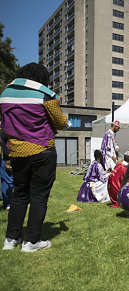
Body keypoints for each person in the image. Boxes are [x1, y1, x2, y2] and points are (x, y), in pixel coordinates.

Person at [1, 62, 68, 252]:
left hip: (17, 152)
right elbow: (60, 122)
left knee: (19, 195)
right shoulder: (45, 95)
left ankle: (11, 239)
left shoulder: (4, 95)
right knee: (38, 196)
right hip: (41, 151)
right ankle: (31, 241)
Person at [0, 130, 13, 209]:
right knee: (8, 181)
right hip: (7, 159)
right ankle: (7, 203)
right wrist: (7, 153)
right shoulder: (6, 129)